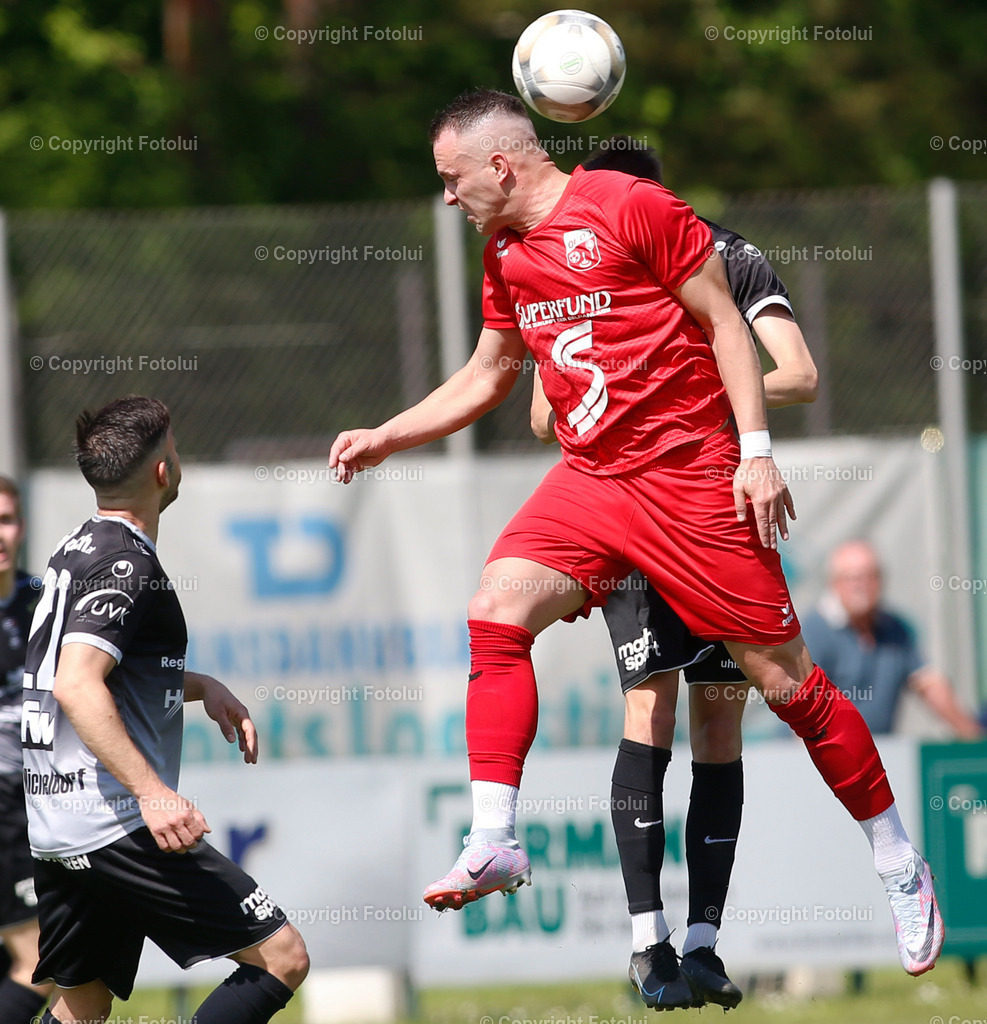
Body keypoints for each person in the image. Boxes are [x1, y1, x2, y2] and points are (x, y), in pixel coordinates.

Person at [328, 90, 943, 984]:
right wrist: (390, 434)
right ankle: (494, 838)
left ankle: (895, 858)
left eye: (452, 180)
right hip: (593, 480)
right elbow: (490, 374)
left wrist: (755, 456)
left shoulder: (632, 206)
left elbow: (728, 325)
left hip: (691, 478)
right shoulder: (505, 255)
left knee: (787, 687)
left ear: (500, 165)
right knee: (495, 610)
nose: (447, 200)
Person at [526, 137, 818, 1009]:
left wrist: (698, 387)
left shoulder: (721, 252)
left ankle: (701, 944)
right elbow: (548, 413)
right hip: (631, 513)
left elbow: (796, 372)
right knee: (651, 708)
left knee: (718, 726)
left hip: (716, 507)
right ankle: (646, 941)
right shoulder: (577, 266)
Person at [23, 397, 309, 1024]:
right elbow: (76, 683)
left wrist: (200, 687)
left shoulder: (75, 547)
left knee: (82, 1006)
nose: (178, 459)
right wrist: (153, 793)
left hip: (57, 820)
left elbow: (94, 670)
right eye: (174, 449)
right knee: (281, 957)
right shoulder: (127, 562)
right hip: (114, 822)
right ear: (162, 471)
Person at [802, 539, 984, 738]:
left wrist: (973, 737)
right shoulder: (814, 631)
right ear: (834, 583)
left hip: (879, 755)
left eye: (870, 576)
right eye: (853, 578)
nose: (862, 586)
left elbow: (929, 685)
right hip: (823, 756)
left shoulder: (896, 629)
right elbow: (804, 704)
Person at [0, 475, 52, 1022]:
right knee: (43, 961)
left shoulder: (45, 603)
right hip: (5, 813)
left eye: (7, 519)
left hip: (39, 802)